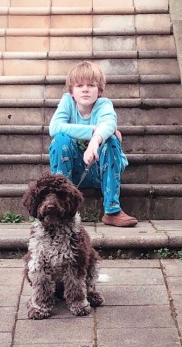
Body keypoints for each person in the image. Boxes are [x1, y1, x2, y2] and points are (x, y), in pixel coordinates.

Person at [48, 60, 138, 227]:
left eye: (91, 85)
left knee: (110, 140)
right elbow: (54, 127)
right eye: (79, 85)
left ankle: (112, 210)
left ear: (100, 90)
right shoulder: (68, 102)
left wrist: (95, 141)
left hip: (100, 171)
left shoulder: (104, 105)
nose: (85, 89)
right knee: (60, 140)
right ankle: (63, 209)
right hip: (72, 171)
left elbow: (109, 124)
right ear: (72, 91)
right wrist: (93, 130)